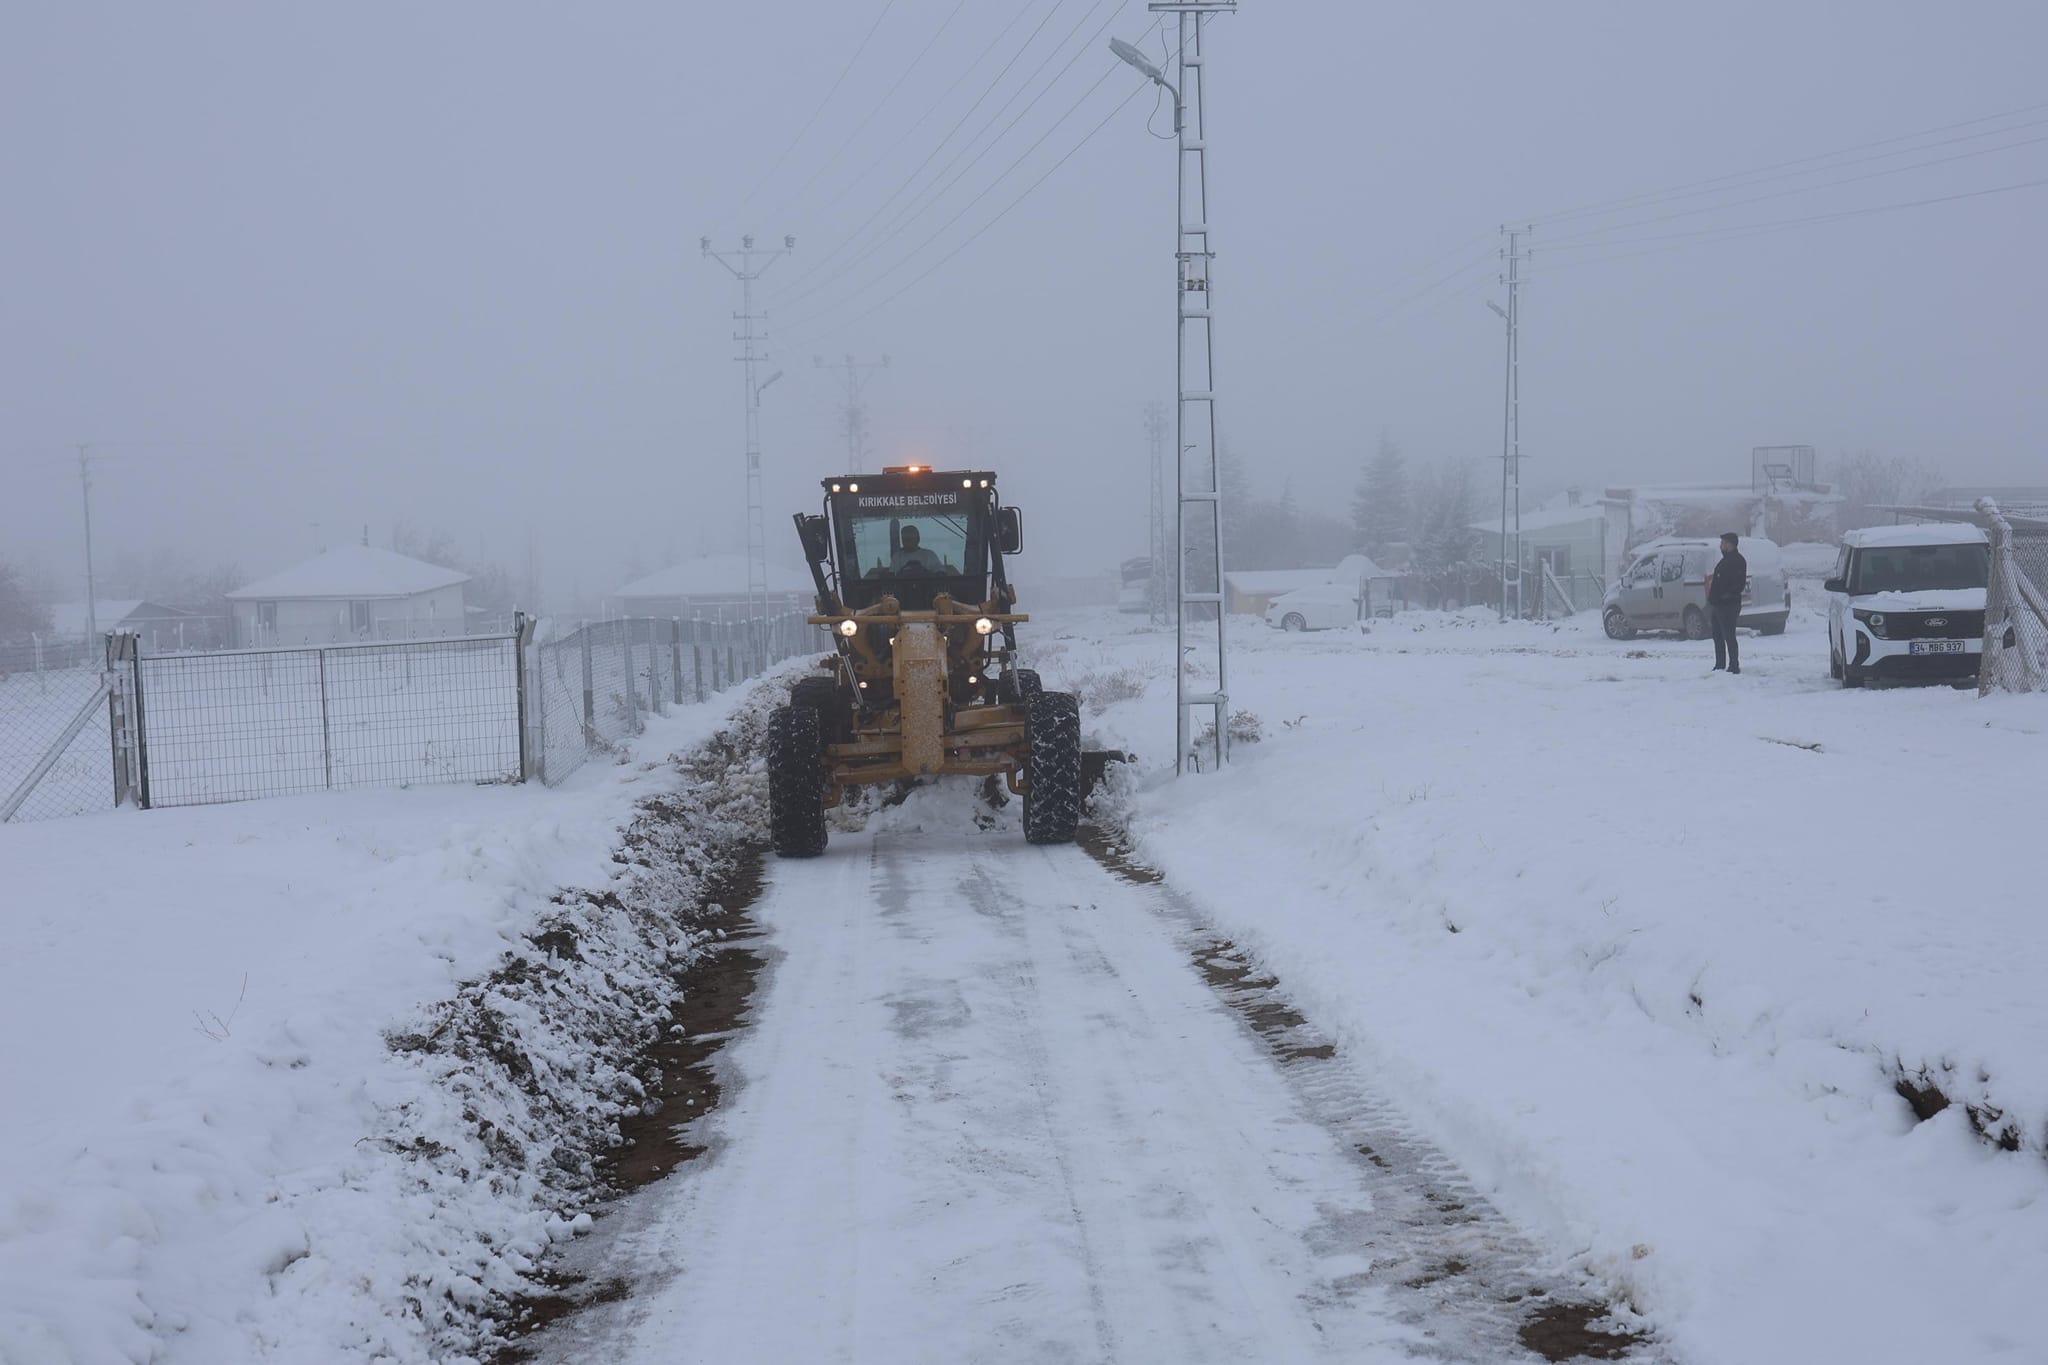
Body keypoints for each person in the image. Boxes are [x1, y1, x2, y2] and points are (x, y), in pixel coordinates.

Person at [1705, 531, 1747, 674]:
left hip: (1729, 605)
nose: (1721, 546)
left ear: (1730, 545)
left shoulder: (1738, 561)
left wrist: (1725, 596)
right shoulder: (1724, 561)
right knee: (1717, 636)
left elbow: (1738, 584)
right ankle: (1720, 664)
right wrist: (1712, 600)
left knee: (1729, 635)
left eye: (1723, 543)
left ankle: (1734, 665)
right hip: (1717, 605)